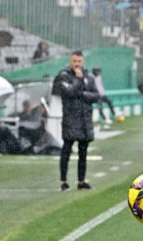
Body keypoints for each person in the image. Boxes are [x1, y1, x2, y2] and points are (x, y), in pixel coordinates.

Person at [53, 50, 99, 191]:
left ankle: (81, 181)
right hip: (71, 119)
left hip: (85, 119)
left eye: (79, 61)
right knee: (66, 149)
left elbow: (96, 95)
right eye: (74, 61)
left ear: (83, 62)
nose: (77, 64)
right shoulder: (64, 76)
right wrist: (78, 81)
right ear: (70, 62)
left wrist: (81, 93)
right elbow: (68, 92)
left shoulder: (90, 76)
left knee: (83, 152)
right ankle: (63, 181)